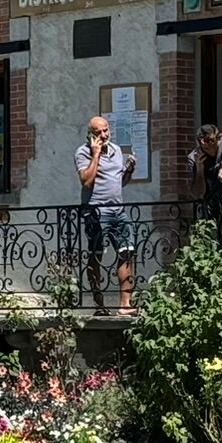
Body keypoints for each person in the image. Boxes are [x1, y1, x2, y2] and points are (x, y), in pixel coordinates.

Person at [77, 115, 139, 314]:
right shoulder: (83, 152)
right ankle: (99, 305)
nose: (104, 135)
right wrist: (95, 155)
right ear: (90, 135)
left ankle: (125, 305)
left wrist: (129, 170)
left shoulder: (116, 150)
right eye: (98, 133)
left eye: (106, 130)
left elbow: (119, 183)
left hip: (118, 210)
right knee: (96, 256)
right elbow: (86, 181)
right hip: (96, 212)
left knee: (126, 252)